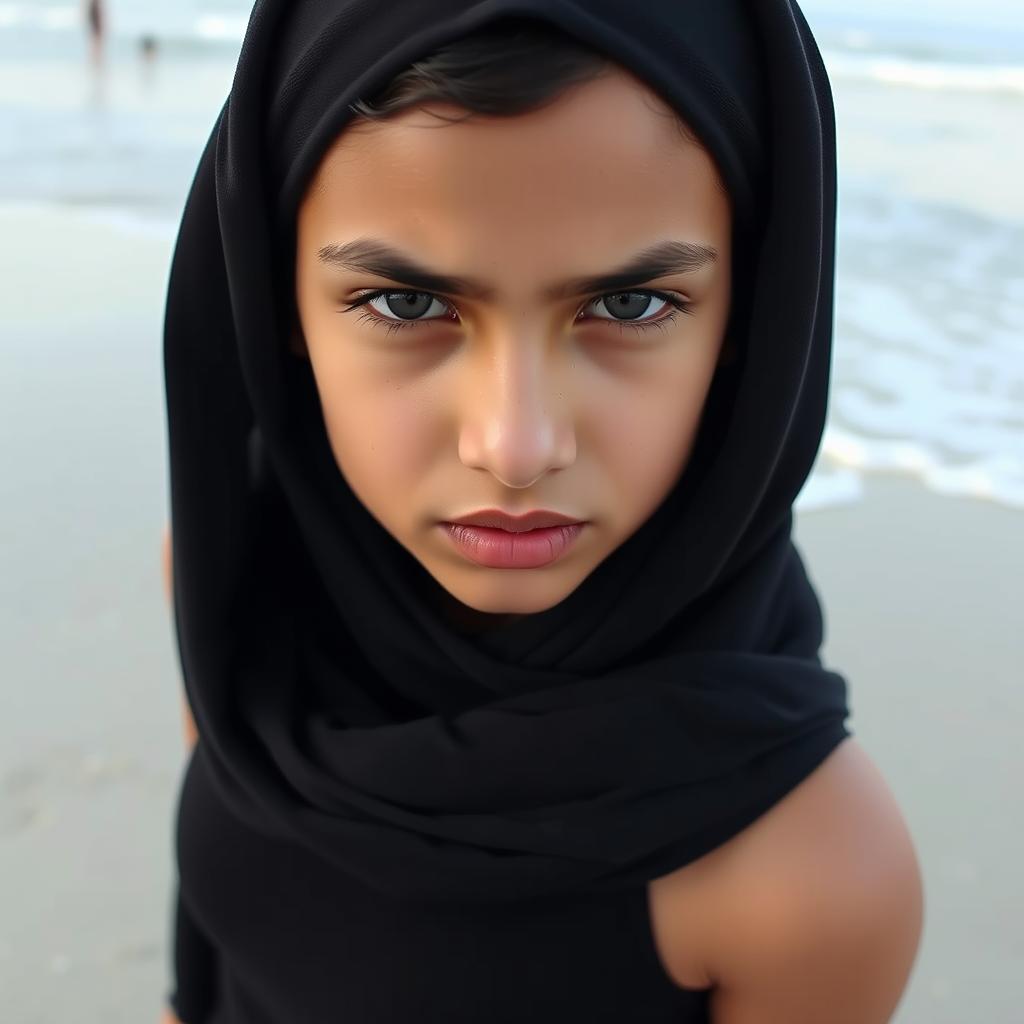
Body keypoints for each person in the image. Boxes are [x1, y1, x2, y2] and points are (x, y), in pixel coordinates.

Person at [159, 3, 924, 1022]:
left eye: (628, 305)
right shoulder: (235, 583)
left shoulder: (808, 875)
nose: (516, 446)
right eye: (406, 303)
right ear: (271, 301)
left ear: (752, 320)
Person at [84, 0, 104, 67]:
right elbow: (98, 17)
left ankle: (95, 60)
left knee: (95, 43)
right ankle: (96, 60)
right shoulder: (95, 6)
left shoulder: (93, 5)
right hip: (96, 25)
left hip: (95, 25)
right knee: (96, 43)